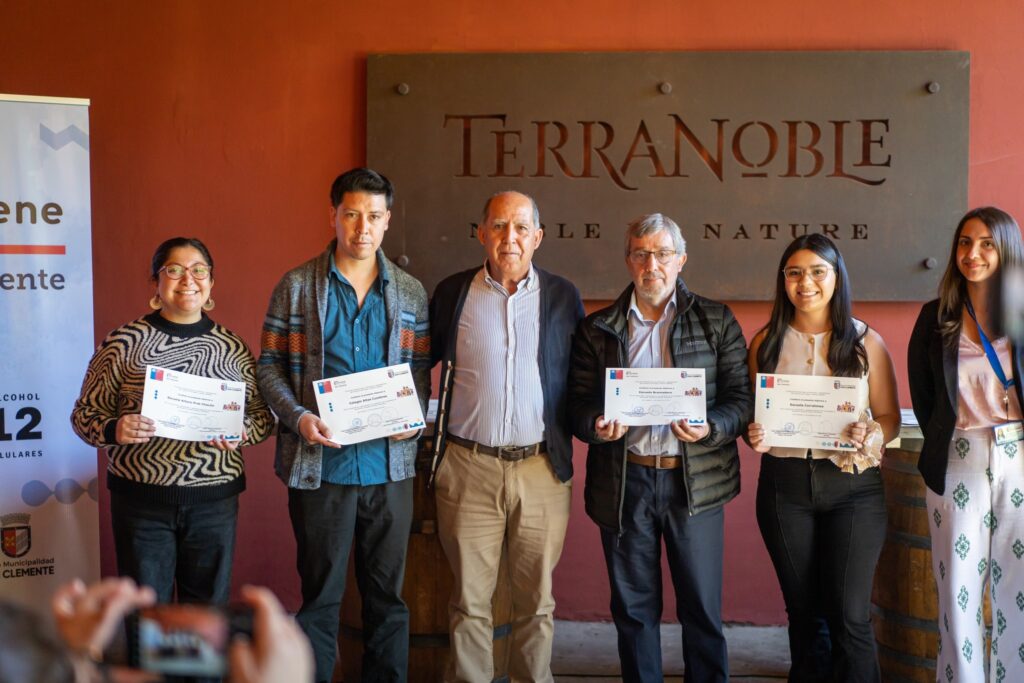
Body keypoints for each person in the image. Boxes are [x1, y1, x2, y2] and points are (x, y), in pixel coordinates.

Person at [256, 167, 430, 683]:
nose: (362, 228)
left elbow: (419, 371)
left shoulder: (410, 292)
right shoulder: (296, 286)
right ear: (333, 215)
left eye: (374, 216)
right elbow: (268, 367)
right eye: (352, 215)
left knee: (387, 600)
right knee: (320, 599)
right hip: (320, 468)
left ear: (387, 220)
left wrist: (413, 418)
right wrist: (298, 417)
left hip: (388, 468)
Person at [568, 213, 752, 683]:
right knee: (633, 611)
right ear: (628, 260)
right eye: (642, 254)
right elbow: (577, 404)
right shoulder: (598, 328)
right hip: (625, 482)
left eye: (663, 254)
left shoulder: (716, 320)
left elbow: (741, 399)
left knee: (702, 609)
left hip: (695, 485)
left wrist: (710, 428)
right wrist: (595, 425)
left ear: (681, 260)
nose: (653, 264)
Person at [429, 190, 583, 682]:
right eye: (498, 226)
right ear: (481, 234)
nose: (509, 238)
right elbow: (413, 363)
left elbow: (583, 376)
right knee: (469, 602)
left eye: (520, 228)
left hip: (542, 470)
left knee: (537, 602)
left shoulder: (563, 296)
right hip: (467, 468)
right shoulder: (453, 293)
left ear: (538, 237)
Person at [71, 237, 273, 605]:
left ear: (211, 282)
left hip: (214, 503)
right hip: (141, 502)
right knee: (146, 615)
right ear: (156, 281)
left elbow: (262, 418)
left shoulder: (233, 348)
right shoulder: (123, 342)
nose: (188, 280)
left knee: (206, 619)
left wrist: (243, 432)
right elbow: (84, 415)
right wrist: (114, 428)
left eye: (199, 270)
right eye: (175, 270)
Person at [746, 234, 900, 682]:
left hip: (853, 490)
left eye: (817, 272)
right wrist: (752, 433)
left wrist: (872, 432)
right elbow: (754, 415)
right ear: (783, 280)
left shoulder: (866, 342)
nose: (805, 282)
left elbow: (890, 418)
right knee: (803, 614)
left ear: (837, 277)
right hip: (784, 487)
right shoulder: (765, 342)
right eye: (794, 273)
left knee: (850, 616)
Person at [908, 206, 1024, 683]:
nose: (972, 254)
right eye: (964, 243)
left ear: (1007, 250)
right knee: (957, 586)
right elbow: (924, 396)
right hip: (959, 456)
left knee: (1020, 586)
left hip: (1019, 456)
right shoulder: (935, 317)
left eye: (986, 244)